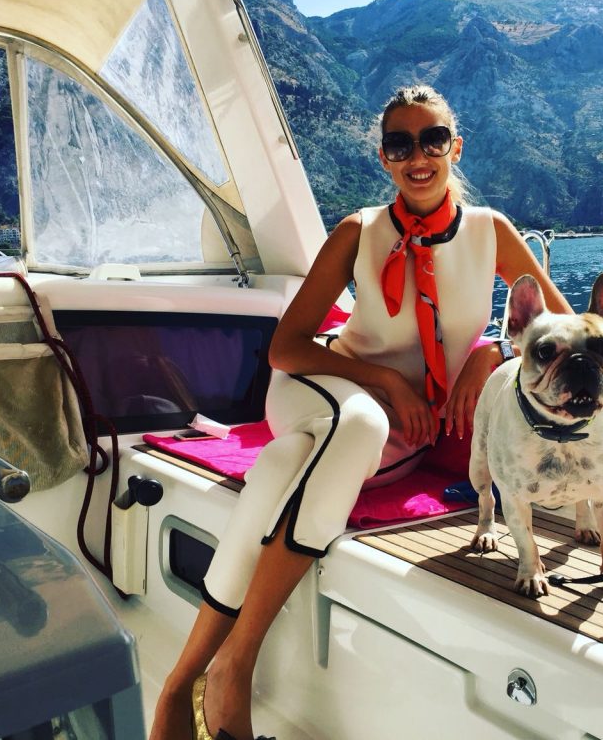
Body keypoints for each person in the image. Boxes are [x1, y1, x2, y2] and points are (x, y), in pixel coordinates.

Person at [149, 84, 572, 740]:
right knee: (361, 422)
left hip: (387, 435)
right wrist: (383, 379)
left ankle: (183, 682)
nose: (418, 157)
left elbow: (563, 330)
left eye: (432, 139)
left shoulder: (491, 232)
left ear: (455, 148)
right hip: (319, 386)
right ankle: (235, 666)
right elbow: (287, 349)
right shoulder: (360, 231)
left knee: (285, 466)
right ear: (384, 158)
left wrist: (491, 351)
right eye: (400, 144)